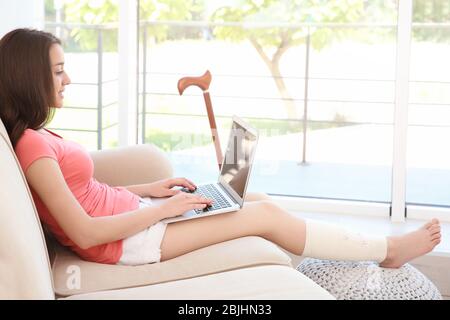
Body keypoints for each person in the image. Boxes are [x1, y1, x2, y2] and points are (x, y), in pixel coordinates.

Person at [0, 28, 442, 268]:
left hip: (133, 217)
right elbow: (84, 233)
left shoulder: (36, 137)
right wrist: (161, 211)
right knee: (263, 214)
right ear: (27, 77)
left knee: (256, 200)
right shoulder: (33, 148)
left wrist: (151, 189)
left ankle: (334, 253)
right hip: (127, 242)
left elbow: (84, 191)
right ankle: (387, 250)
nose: (68, 79)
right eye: (58, 71)